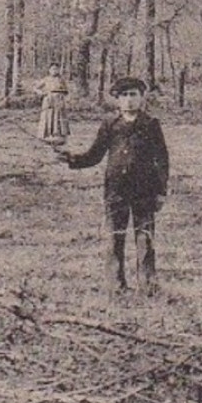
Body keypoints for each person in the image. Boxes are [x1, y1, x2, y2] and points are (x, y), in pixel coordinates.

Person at [62, 77, 170, 294]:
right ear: (117, 100)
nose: (129, 100)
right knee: (114, 237)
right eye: (124, 96)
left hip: (144, 191)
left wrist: (160, 192)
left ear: (142, 98)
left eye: (133, 95)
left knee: (145, 238)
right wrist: (71, 159)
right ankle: (116, 286)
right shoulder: (110, 125)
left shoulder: (151, 125)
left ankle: (148, 285)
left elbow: (162, 160)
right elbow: (95, 155)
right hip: (116, 190)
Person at [34, 63, 70, 144]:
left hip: (59, 100)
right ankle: (46, 135)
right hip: (48, 99)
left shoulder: (61, 79)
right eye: (52, 69)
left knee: (59, 116)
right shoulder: (46, 79)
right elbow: (36, 88)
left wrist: (63, 97)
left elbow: (66, 91)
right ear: (49, 70)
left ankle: (59, 136)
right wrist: (41, 93)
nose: (54, 71)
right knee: (48, 116)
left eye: (56, 69)